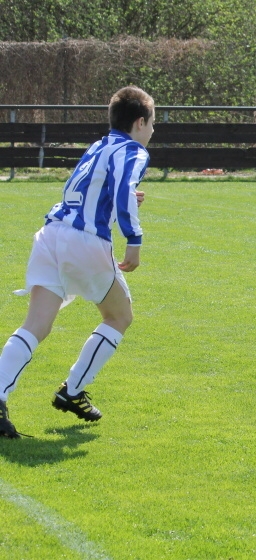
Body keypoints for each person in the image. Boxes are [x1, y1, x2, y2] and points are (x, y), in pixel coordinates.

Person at [0, 86, 154, 438]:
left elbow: (94, 191)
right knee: (119, 316)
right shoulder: (133, 150)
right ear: (139, 122)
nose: (152, 130)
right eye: (152, 123)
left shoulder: (98, 146)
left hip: (51, 234)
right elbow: (121, 191)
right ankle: (72, 391)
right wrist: (134, 240)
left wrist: (123, 200)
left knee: (36, 325)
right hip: (84, 240)